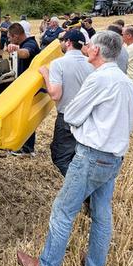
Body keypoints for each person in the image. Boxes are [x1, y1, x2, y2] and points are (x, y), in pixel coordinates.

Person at [16, 31, 133, 266]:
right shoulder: (125, 81)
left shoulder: (99, 79)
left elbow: (71, 115)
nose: (87, 46)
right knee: (102, 213)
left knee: (63, 210)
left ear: (97, 51)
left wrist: (83, 129)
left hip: (91, 156)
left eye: (91, 44)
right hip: (114, 157)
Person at [38, 29, 94, 176]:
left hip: (67, 117)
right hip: (88, 117)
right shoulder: (91, 64)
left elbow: (56, 95)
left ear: (68, 42)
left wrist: (45, 74)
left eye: (62, 41)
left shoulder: (58, 64)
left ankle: (83, 192)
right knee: (77, 156)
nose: (61, 43)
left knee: (61, 158)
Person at [7, 23, 41, 155]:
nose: (9, 39)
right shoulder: (25, 42)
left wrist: (16, 50)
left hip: (29, 89)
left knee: (26, 118)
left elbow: (25, 54)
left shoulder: (30, 44)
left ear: (16, 36)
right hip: (23, 87)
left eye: (10, 37)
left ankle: (27, 149)